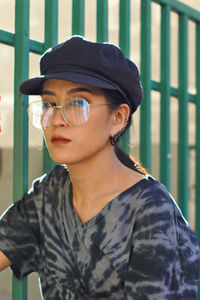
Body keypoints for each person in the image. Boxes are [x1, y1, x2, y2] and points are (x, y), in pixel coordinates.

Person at [0, 36, 200, 300]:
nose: (57, 120)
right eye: (49, 104)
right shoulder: (50, 193)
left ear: (118, 118)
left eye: (77, 103)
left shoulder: (151, 211)